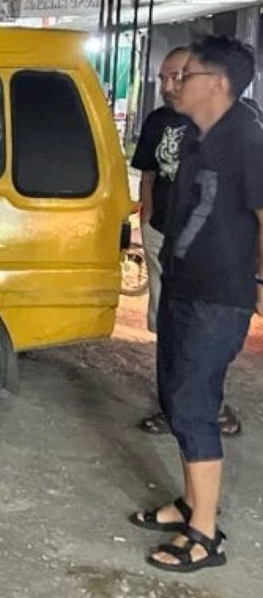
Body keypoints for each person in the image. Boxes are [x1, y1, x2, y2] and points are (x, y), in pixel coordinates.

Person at [129, 36, 263, 573]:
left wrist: (257, 282)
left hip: (219, 293)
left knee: (193, 401)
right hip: (185, 283)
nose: (175, 84)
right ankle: (190, 502)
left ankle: (206, 536)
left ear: (219, 85)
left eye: (188, 76)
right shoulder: (190, 136)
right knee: (175, 393)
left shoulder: (247, 139)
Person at [134, 47, 240, 437]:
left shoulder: (224, 127)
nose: (166, 86)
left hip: (205, 248)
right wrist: (147, 220)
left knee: (203, 331)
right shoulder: (158, 121)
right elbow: (147, 175)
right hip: (163, 233)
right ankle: (174, 406)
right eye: (161, 78)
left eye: (175, 76)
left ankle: (209, 406)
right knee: (168, 326)